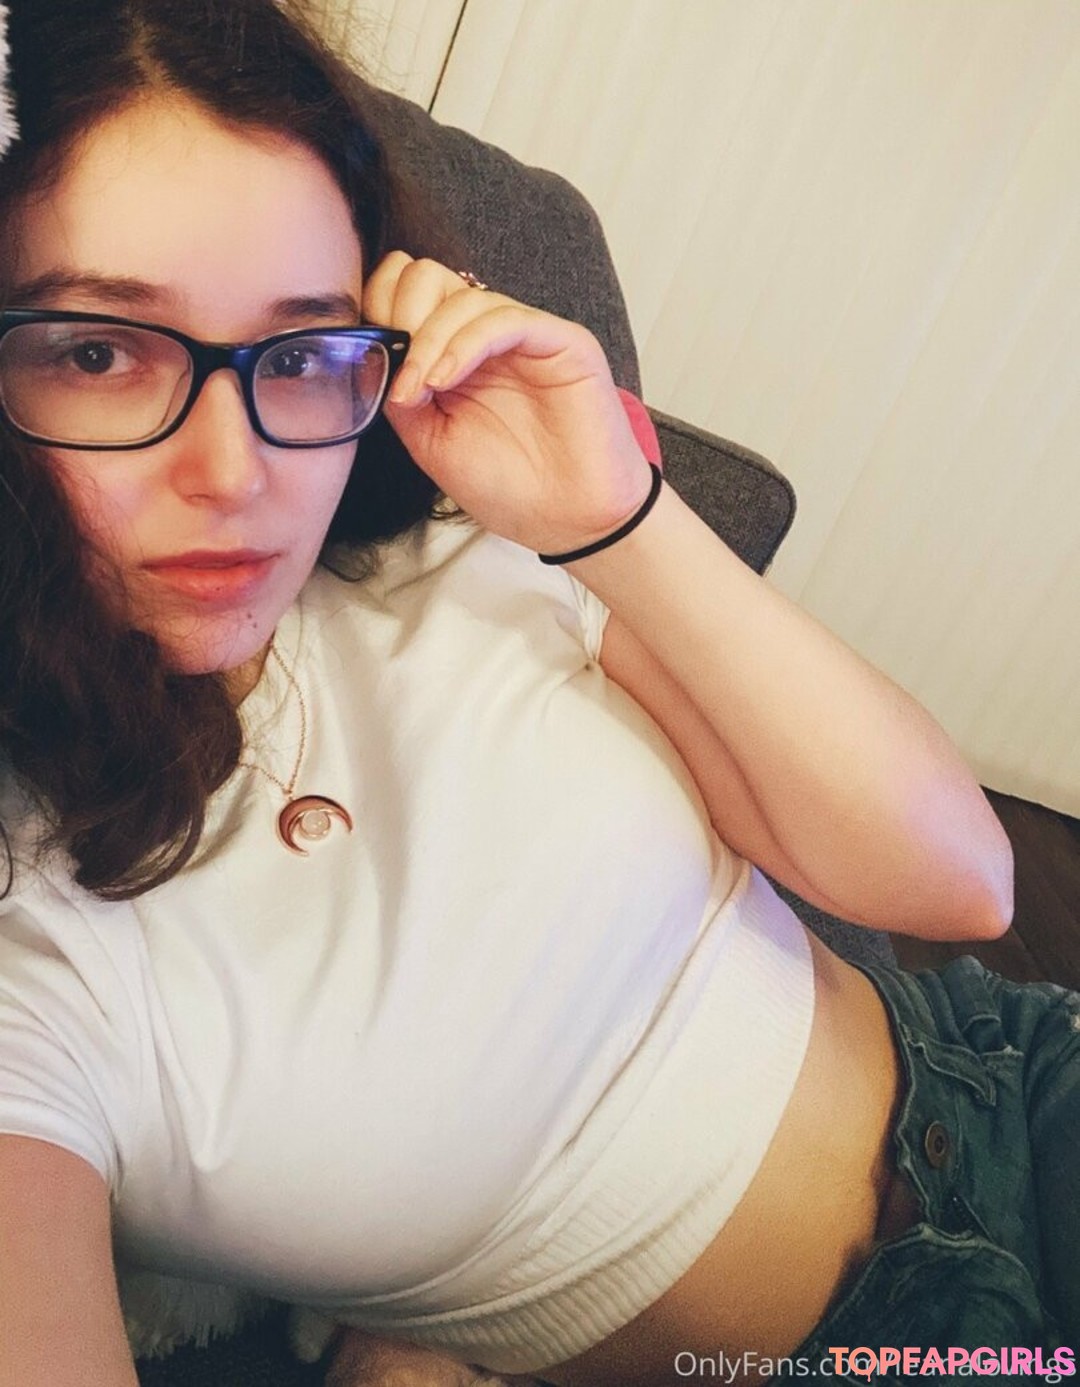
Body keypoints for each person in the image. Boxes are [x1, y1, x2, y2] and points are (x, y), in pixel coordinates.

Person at [0, 2, 1076, 1385]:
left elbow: (960, 883)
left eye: (304, 351)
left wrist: (612, 516)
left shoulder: (461, 556)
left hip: (1002, 1067)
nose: (235, 469)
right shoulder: (34, 940)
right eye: (98, 351)